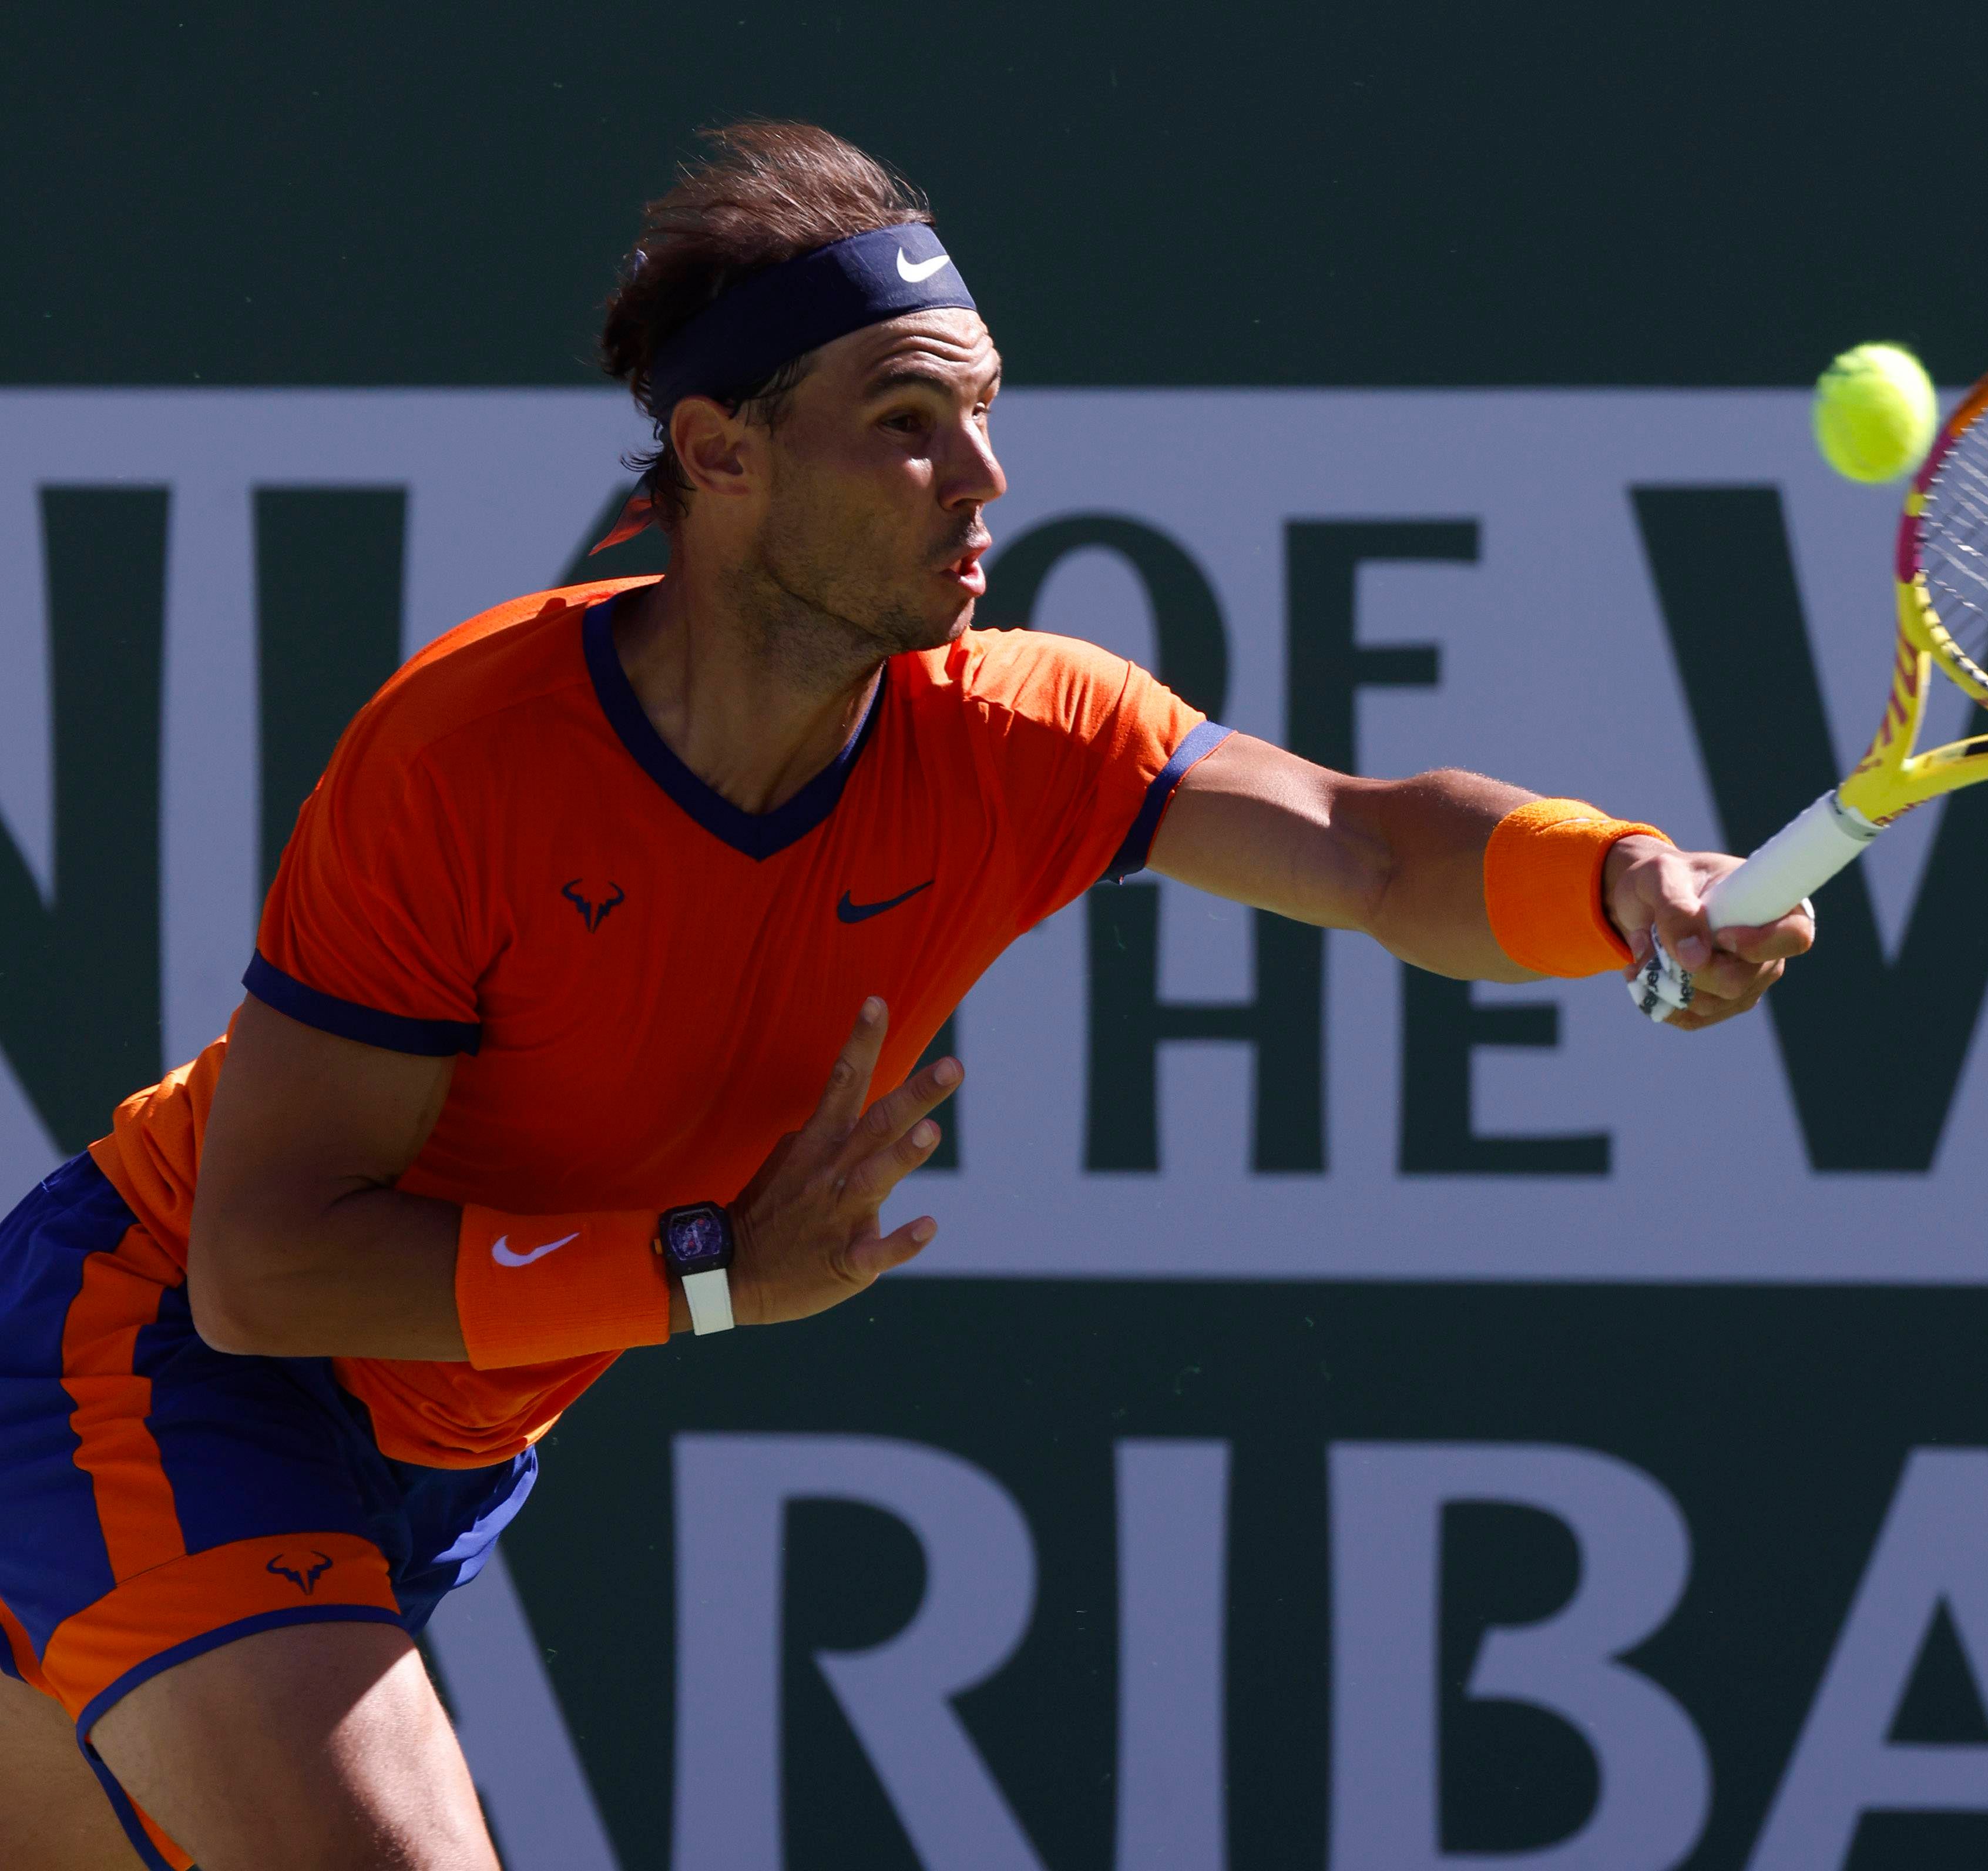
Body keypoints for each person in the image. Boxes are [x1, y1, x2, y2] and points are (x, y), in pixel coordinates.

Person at [0, 122, 1814, 1870]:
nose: (984, 477)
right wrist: (706, 1274)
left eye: (984, 413)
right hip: (163, 1365)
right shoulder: (472, 757)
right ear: (718, 456)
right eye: (907, 424)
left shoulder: (1019, 735)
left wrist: (1621, 881)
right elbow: (263, 1270)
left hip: (445, 1439)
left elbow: (1362, 845)